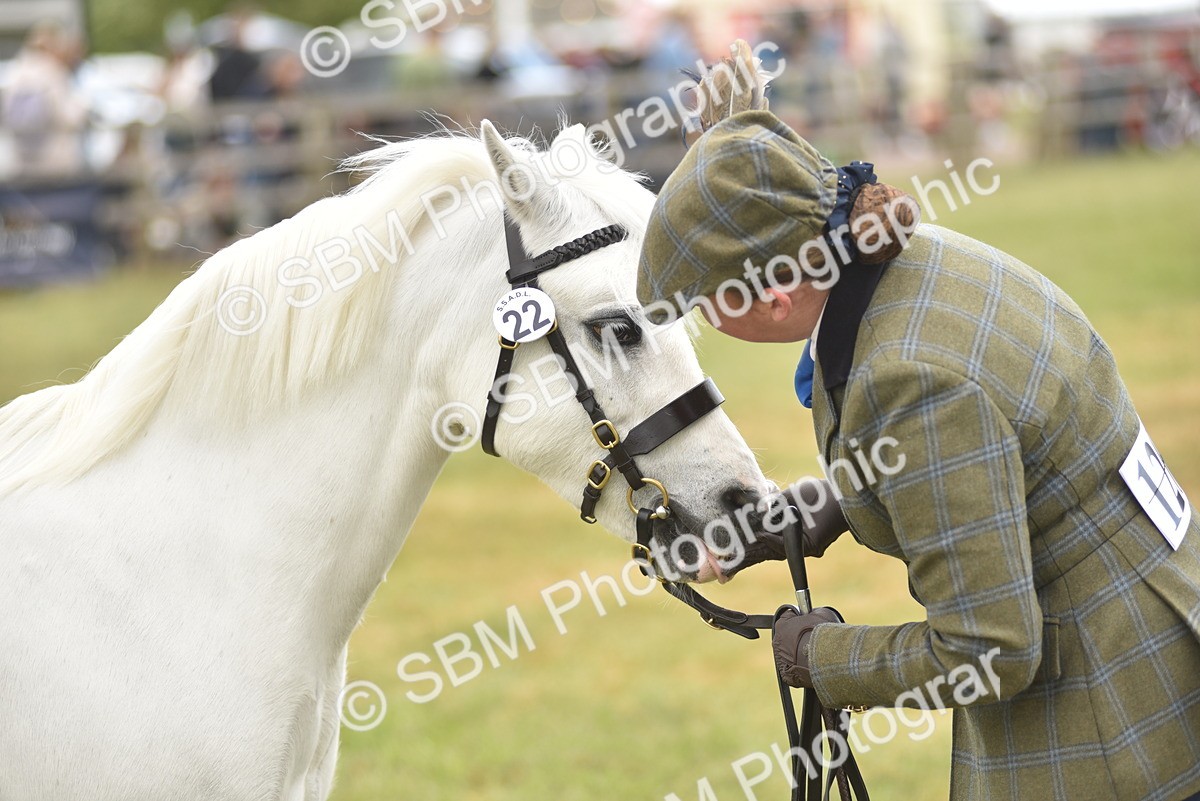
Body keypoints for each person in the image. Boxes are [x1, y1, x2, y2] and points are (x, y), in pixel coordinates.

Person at [635, 58, 1200, 800]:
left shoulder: (908, 379)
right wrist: (806, 517)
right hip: (1152, 640)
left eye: (705, 304)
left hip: (1112, 733)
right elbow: (991, 463)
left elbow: (989, 648)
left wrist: (818, 655)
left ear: (773, 294)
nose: (707, 321)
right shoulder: (920, 260)